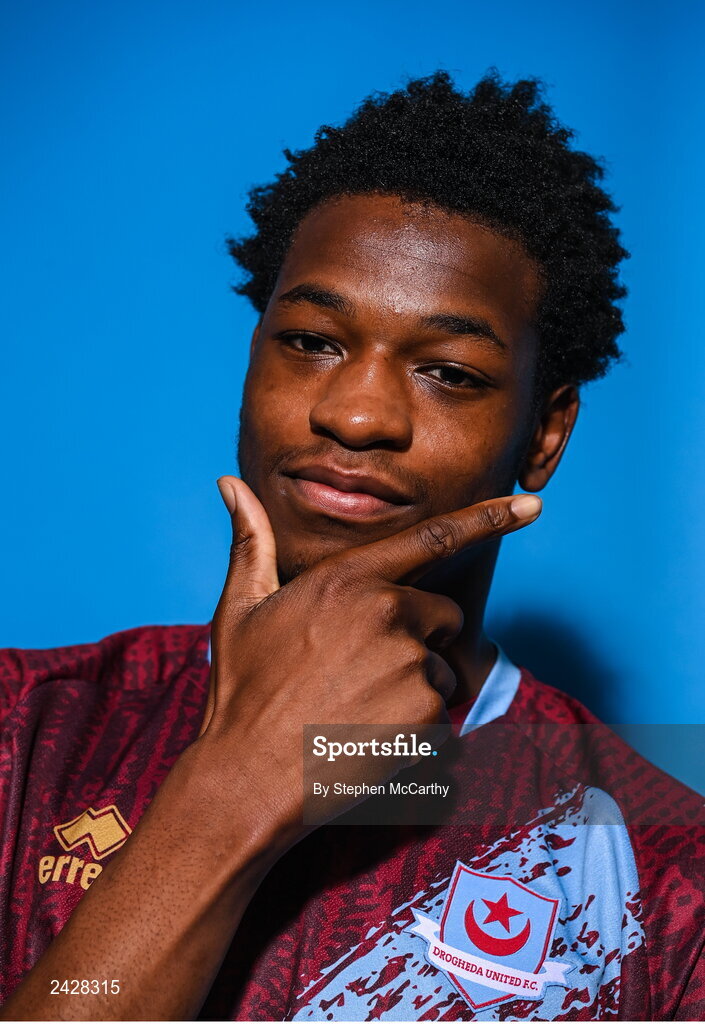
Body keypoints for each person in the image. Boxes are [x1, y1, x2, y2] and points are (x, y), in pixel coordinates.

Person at [1, 70, 703, 1022]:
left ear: (544, 433)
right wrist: (228, 792)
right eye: (311, 341)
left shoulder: (663, 877)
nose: (357, 412)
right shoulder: (23, 729)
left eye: (448, 372)